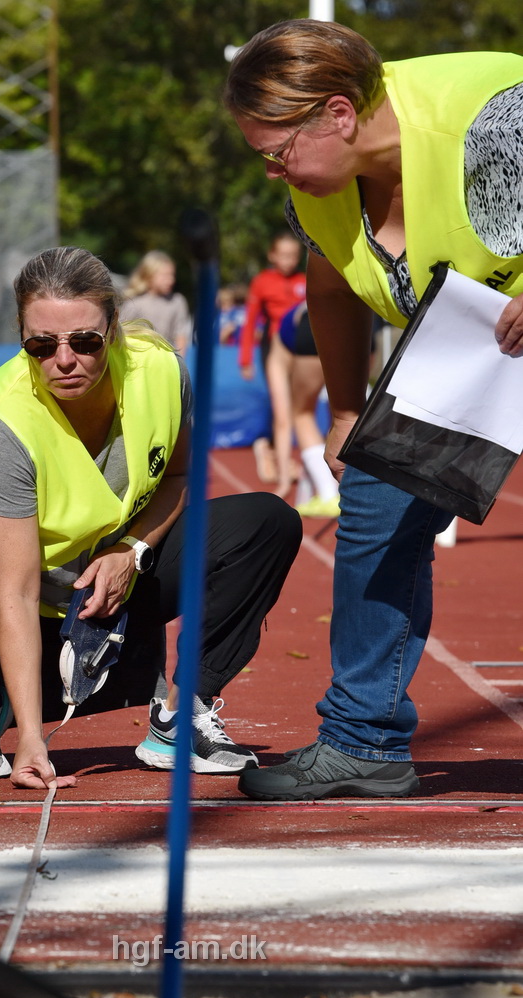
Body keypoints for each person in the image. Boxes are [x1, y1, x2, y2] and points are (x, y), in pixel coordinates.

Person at [224, 19, 523, 800]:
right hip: (468, 345)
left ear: (338, 113)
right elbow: (328, 289)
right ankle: (362, 739)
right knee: (374, 498)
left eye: (275, 151)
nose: (269, 172)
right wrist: (345, 411)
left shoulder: (493, 111)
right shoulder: (314, 194)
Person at [0, 246, 302, 789]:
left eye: (84, 341)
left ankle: (179, 718)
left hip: (102, 580)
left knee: (267, 522)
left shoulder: (162, 371)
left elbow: (179, 479)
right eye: (40, 344)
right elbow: (15, 594)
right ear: (23, 338)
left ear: (113, 329)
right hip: (9, 592)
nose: (64, 360)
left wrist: (131, 551)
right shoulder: (0, 422)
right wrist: (31, 741)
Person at [239, 233, 307, 499]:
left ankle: (306, 468)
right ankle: (282, 477)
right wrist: (245, 359)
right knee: (282, 414)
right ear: (273, 255)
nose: (289, 261)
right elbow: (250, 322)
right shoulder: (262, 282)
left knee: (302, 412)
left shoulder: (304, 280)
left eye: (294, 255)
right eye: (284, 255)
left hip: (304, 352)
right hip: (275, 351)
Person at [278, 302, 340, 518]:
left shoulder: (286, 329)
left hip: (315, 320)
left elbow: (281, 419)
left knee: (302, 413)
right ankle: (354, 492)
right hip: (364, 322)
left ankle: (328, 495)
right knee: (348, 413)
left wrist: (284, 478)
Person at [119, 250, 191, 356]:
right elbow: (121, 332)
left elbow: (180, 335)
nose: (171, 280)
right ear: (149, 274)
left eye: (172, 275)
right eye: (165, 275)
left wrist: (180, 362)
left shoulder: (177, 302)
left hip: (167, 359)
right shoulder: (134, 302)